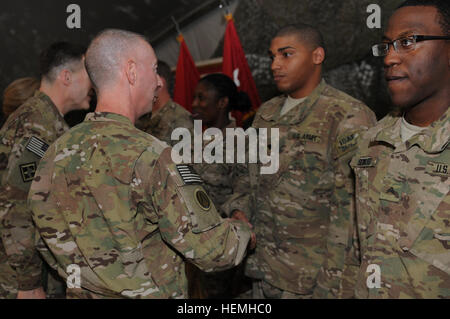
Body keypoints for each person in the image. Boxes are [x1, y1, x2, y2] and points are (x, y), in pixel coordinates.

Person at [28, 29, 254, 299]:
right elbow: (210, 250)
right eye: (155, 69)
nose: (159, 82)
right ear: (132, 71)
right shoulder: (153, 155)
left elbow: (43, 239)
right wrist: (243, 233)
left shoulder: (54, 153)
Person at [222, 23, 376, 299]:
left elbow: (352, 215)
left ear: (317, 56)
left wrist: (333, 288)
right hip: (261, 270)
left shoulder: (348, 116)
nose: (275, 65)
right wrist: (239, 210)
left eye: (286, 54)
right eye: (272, 56)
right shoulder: (266, 113)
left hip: (311, 280)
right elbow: (246, 177)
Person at [342, 0, 449, 299]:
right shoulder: (372, 141)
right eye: (386, 46)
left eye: (408, 42)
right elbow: (358, 250)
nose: (389, 58)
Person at [0, 42, 92, 299]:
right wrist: (28, 283)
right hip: (20, 276)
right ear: (66, 77)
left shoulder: (44, 120)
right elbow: (16, 204)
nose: (93, 85)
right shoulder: (37, 127)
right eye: (88, 75)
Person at [187, 73, 253, 298]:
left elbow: (245, 190)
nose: (194, 104)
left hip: (222, 250)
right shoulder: (195, 142)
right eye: (194, 97)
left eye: (202, 98)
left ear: (222, 103)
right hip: (191, 247)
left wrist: (238, 214)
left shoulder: (241, 142)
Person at [135, 60, 193, 146]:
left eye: (143, 81)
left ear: (159, 82)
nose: (138, 87)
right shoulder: (143, 116)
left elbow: (186, 157)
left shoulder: (180, 118)